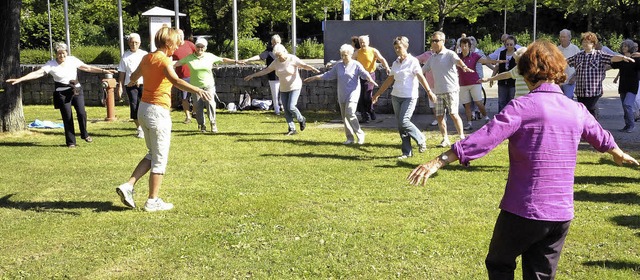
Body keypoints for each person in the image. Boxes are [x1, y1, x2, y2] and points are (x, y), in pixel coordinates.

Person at [407, 40, 639, 280]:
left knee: (499, 263)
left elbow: (484, 138)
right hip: (561, 215)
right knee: (540, 274)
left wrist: (438, 161)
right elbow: (600, 136)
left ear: (527, 72)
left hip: (525, 210)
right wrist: (617, 152)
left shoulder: (522, 106)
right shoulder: (577, 109)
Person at [115, 27, 212, 212]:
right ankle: (152, 201)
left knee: (152, 154)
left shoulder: (147, 57)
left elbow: (134, 76)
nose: (178, 45)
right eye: (176, 42)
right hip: (158, 112)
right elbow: (176, 81)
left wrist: (131, 82)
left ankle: (128, 186)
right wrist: (198, 90)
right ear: (168, 43)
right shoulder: (164, 60)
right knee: (160, 158)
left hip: (143, 110)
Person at [6, 42, 117, 148]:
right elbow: (37, 73)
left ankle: (84, 134)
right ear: (56, 54)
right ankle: (71, 142)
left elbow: (87, 67)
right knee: (67, 117)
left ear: (67, 52)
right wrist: (20, 79)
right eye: (59, 53)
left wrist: (104, 70)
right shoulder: (51, 64)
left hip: (76, 90)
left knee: (82, 113)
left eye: (63, 52)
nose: (62, 55)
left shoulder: (72, 60)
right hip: (62, 92)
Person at [372, 36, 435, 159]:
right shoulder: (395, 63)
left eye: (399, 47)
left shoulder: (413, 61)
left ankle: (421, 138)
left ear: (405, 47)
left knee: (404, 121)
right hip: (396, 96)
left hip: (409, 96)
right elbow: (389, 80)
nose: (397, 50)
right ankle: (407, 152)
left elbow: (421, 77)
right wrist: (377, 94)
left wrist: (429, 92)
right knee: (401, 125)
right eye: (395, 48)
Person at [305, 44, 377, 145]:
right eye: (342, 55)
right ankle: (350, 138)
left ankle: (360, 134)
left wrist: (370, 79)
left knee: (350, 112)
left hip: (353, 92)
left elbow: (364, 73)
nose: (343, 57)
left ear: (351, 55)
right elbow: (328, 75)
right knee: (344, 116)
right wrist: (315, 77)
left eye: (345, 55)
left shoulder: (356, 64)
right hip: (342, 93)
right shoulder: (338, 66)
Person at [244, 44, 320, 135]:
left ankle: (301, 119)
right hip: (284, 88)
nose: (279, 58)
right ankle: (292, 129)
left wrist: (312, 69)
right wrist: (253, 75)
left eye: (280, 56)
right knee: (286, 110)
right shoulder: (276, 62)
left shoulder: (292, 58)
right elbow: (266, 70)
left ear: (284, 52)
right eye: (277, 56)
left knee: (291, 106)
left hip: (295, 86)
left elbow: (303, 65)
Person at [421, 31, 473, 148]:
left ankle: (461, 137)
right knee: (439, 116)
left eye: (436, 41)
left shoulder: (450, 54)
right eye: (432, 41)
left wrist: (464, 67)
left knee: (453, 113)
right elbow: (422, 71)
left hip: (451, 90)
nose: (433, 43)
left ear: (443, 41)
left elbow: (458, 61)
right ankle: (445, 139)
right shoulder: (432, 58)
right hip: (438, 92)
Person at [175, 37, 239, 133]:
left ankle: (213, 123)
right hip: (195, 87)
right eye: (198, 46)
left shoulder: (210, 56)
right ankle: (201, 125)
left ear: (205, 48)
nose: (200, 48)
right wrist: (163, 62)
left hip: (208, 85)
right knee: (198, 106)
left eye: (202, 47)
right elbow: (177, 63)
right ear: (195, 47)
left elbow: (222, 60)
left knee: (210, 104)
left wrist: (235, 61)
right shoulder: (189, 58)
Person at [567, 32, 634, 119]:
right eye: (584, 42)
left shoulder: (599, 55)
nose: (585, 44)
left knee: (589, 110)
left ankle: (593, 130)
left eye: (588, 42)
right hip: (580, 91)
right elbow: (566, 61)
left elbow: (612, 58)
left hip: (594, 91)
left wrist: (622, 58)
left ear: (593, 44)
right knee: (583, 112)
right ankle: (586, 130)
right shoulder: (578, 56)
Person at [457, 37, 504, 130]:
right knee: (467, 105)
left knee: (478, 102)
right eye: (462, 46)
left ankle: (486, 117)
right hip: (462, 84)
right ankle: (469, 123)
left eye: (465, 46)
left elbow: (486, 61)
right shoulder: (457, 56)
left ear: (469, 47)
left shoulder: (474, 55)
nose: (463, 48)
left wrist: (498, 62)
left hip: (475, 82)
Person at [241, 34, 283, 115]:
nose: (275, 44)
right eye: (274, 42)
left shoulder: (283, 50)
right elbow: (259, 57)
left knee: (284, 94)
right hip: (273, 77)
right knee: (275, 95)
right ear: (271, 42)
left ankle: (284, 108)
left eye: (277, 42)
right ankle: (277, 110)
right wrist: (247, 60)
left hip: (283, 76)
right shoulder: (269, 51)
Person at [117, 33, 148, 138]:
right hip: (130, 85)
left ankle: (146, 126)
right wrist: (120, 86)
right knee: (134, 105)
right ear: (128, 43)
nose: (133, 44)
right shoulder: (125, 56)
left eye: (136, 42)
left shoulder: (144, 54)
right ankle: (139, 128)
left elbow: (148, 69)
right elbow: (122, 72)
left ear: (139, 43)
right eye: (131, 42)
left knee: (144, 105)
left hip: (143, 84)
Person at [355, 35, 391, 123]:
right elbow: (349, 60)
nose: (362, 44)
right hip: (360, 76)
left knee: (367, 96)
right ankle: (364, 116)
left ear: (368, 42)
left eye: (364, 42)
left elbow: (381, 59)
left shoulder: (373, 50)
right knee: (360, 97)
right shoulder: (357, 52)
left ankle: (371, 110)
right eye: (361, 42)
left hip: (370, 75)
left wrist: (387, 67)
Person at [610, 39, 640, 133]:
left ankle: (631, 125)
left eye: (626, 46)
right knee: (624, 106)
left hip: (632, 86)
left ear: (630, 47)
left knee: (627, 104)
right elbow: (613, 65)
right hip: (623, 85)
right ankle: (627, 125)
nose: (624, 48)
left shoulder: (636, 59)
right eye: (623, 46)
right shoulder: (621, 59)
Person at [172, 29, 197, 124]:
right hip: (181, 77)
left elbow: (198, 54)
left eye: (181, 34)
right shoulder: (173, 47)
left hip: (193, 75)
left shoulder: (190, 44)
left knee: (196, 95)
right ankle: (188, 117)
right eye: (178, 35)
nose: (180, 36)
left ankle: (194, 112)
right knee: (184, 98)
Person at [491, 35, 519, 112]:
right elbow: (497, 66)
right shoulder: (502, 53)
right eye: (507, 44)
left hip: (513, 81)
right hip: (502, 81)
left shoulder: (517, 54)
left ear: (514, 44)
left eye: (511, 44)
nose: (509, 46)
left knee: (512, 101)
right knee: (501, 101)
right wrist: (492, 77)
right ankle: (501, 118)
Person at [415, 49, 440, 126]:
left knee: (440, 104)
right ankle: (437, 119)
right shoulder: (426, 55)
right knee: (433, 104)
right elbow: (415, 59)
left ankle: (443, 118)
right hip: (430, 84)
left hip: (440, 84)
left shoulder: (442, 54)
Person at [557, 29, 581, 99]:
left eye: (564, 37)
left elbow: (580, 65)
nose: (562, 39)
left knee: (568, 98)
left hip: (570, 80)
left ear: (569, 38)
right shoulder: (557, 49)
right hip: (559, 81)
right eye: (561, 37)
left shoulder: (575, 49)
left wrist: (575, 77)